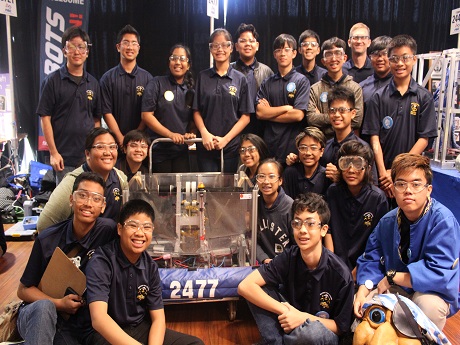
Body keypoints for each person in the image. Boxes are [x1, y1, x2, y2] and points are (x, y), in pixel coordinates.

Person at [354, 153, 460, 331]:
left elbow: (439, 272)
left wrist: (392, 277)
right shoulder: (387, 221)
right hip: (395, 287)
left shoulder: (443, 221)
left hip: (431, 291)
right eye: (401, 184)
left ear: (429, 189)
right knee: (366, 309)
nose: (408, 190)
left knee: (427, 306)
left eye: (416, 184)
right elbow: (371, 258)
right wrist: (362, 291)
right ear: (393, 189)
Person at [238, 192, 354, 345]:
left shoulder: (341, 274)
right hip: (290, 322)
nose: (302, 230)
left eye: (310, 223)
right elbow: (244, 286)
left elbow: (340, 327)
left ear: (324, 230)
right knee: (260, 286)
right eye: (297, 223)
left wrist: (301, 317)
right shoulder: (290, 255)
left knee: (314, 333)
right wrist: (286, 311)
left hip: (319, 334)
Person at [16, 172, 118, 345]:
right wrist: (58, 303)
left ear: (103, 206)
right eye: (82, 196)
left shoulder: (109, 231)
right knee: (44, 308)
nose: (88, 203)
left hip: (75, 323)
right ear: (71, 199)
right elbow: (23, 290)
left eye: (96, 198)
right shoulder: (47, 239)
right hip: (37, 313)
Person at [84, 199, 204, 345]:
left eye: (146, 227)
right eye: (133, 225)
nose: (140, 233)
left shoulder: (150, 266)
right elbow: (99, 320)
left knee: (195, 343)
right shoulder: (102, 261)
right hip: (105, 333)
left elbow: (158, 319)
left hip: (138, 328)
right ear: (120, 229)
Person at [361, 35, 437, 198]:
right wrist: (383, 174)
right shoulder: (378, 97)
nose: (400, 63)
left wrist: (397, 172)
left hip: (411, 174)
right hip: (383, 177)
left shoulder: (424, 97)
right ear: (389, 61)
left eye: (405, 58)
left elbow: (424, 139)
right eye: (394, 58)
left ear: (414, 59)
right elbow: (374, 138)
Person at [37, 26, 101, 185]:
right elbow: (45, 118)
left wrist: (95, 151)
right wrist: (53, 153)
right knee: (66, 204)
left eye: (81, 47)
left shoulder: (93, 83)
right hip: (63, 158)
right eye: (71, 46)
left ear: (87, 52)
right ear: (64, 51)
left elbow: (96, 120)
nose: (77, 51)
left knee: (87, 200)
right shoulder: (52, 81)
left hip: (87, 157)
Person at [37, 127, 128, 232]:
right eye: (100, 147)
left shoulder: (120, 178)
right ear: (88, 154)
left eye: (112, 147)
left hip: (108, 246)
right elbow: (44, 226)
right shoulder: (72, 183)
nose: (108, 152)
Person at [325, 140, 388, 280]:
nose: (351, 170)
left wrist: (357, 270)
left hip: (366, 265)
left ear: (368, 168)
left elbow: (378, 241)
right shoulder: (333, 192)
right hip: (334, 261)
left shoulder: (377, 198)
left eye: (358, 164)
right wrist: (331, 261)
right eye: (345, 163)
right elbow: (327, 228)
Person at [193, 28, 253, 173]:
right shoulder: (203, 77)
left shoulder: (241, 79)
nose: (220, 49)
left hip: (230, 148)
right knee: (207, 192)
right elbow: (196, 110)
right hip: (206, 146)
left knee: (228, 191)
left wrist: (226, 139)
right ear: (210, 49)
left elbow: (246, 116)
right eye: (215, 45)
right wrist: (204, 133)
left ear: (231, 48)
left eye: (224, 45)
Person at [142, 44, 196, 173]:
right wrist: (170, 135)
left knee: (182, 191)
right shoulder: (156, 83)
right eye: (174, 58)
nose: (178, 62)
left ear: (188, 65)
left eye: (182, 59)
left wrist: (191, 134)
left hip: (181, 152)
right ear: (169, 62)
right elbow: (146, 115)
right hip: (159, 150)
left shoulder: (191, 91)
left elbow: (192, 122)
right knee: (161, 192)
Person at [256, 34, 310, 162]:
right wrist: (286, 108)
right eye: (278, 50)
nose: (282, 54)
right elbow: (259, 113)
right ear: (274, 55)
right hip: (270, 144)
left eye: (287, 50)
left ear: (294, 53)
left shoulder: (301, 81)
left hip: (291, 146)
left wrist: (270, 113)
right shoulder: (267, 82)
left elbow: (298, 115)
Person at [100, 24, 154, 147]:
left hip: (140, 143)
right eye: (126, 42)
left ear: (139, 48)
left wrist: (134, 138)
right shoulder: (107, 78)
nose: (130, 47)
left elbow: (148, 113)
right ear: (118, 47)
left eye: (134, 43)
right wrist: (120, 138)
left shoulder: (148, 79)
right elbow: (106, 112)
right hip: (114, 142)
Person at [307, 37, 363, 139]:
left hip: (348, 143)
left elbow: (357, 121)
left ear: (344, 58)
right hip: (322, 144)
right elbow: (311, 118)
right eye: (329, 54)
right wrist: (344, 117)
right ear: (323, 61)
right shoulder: (315, 89)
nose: (333, 58)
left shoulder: (355, 88)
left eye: (338, 53)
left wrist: (323, 117)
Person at [231, 23, 274, 137]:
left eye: (251, 41)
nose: (247, 44)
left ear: (257, 45)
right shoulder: (228, 70)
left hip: (262, 130)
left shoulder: (267, 72)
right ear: (236, 46)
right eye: (243, 41)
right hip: (233, 130)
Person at [255, 158, 293, 264]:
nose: (266, 182)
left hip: (287, 264)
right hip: (264, 265)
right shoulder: (253, 204)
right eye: (261, 176)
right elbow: (250, 239)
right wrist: (264, 259)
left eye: (271, 176)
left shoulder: (290, 206)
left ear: (280, 180)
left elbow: (297, 244)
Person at [282, 127, 329, 199]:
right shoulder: (290, 173)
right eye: (303, 148)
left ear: (321, 152)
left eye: (313, 148)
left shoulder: (326, 176)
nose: (308, 153)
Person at [359, 36, 392, 109]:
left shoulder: (400, 85)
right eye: (375, 54)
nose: (380, 58)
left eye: (384, 53)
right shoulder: (362, 87)